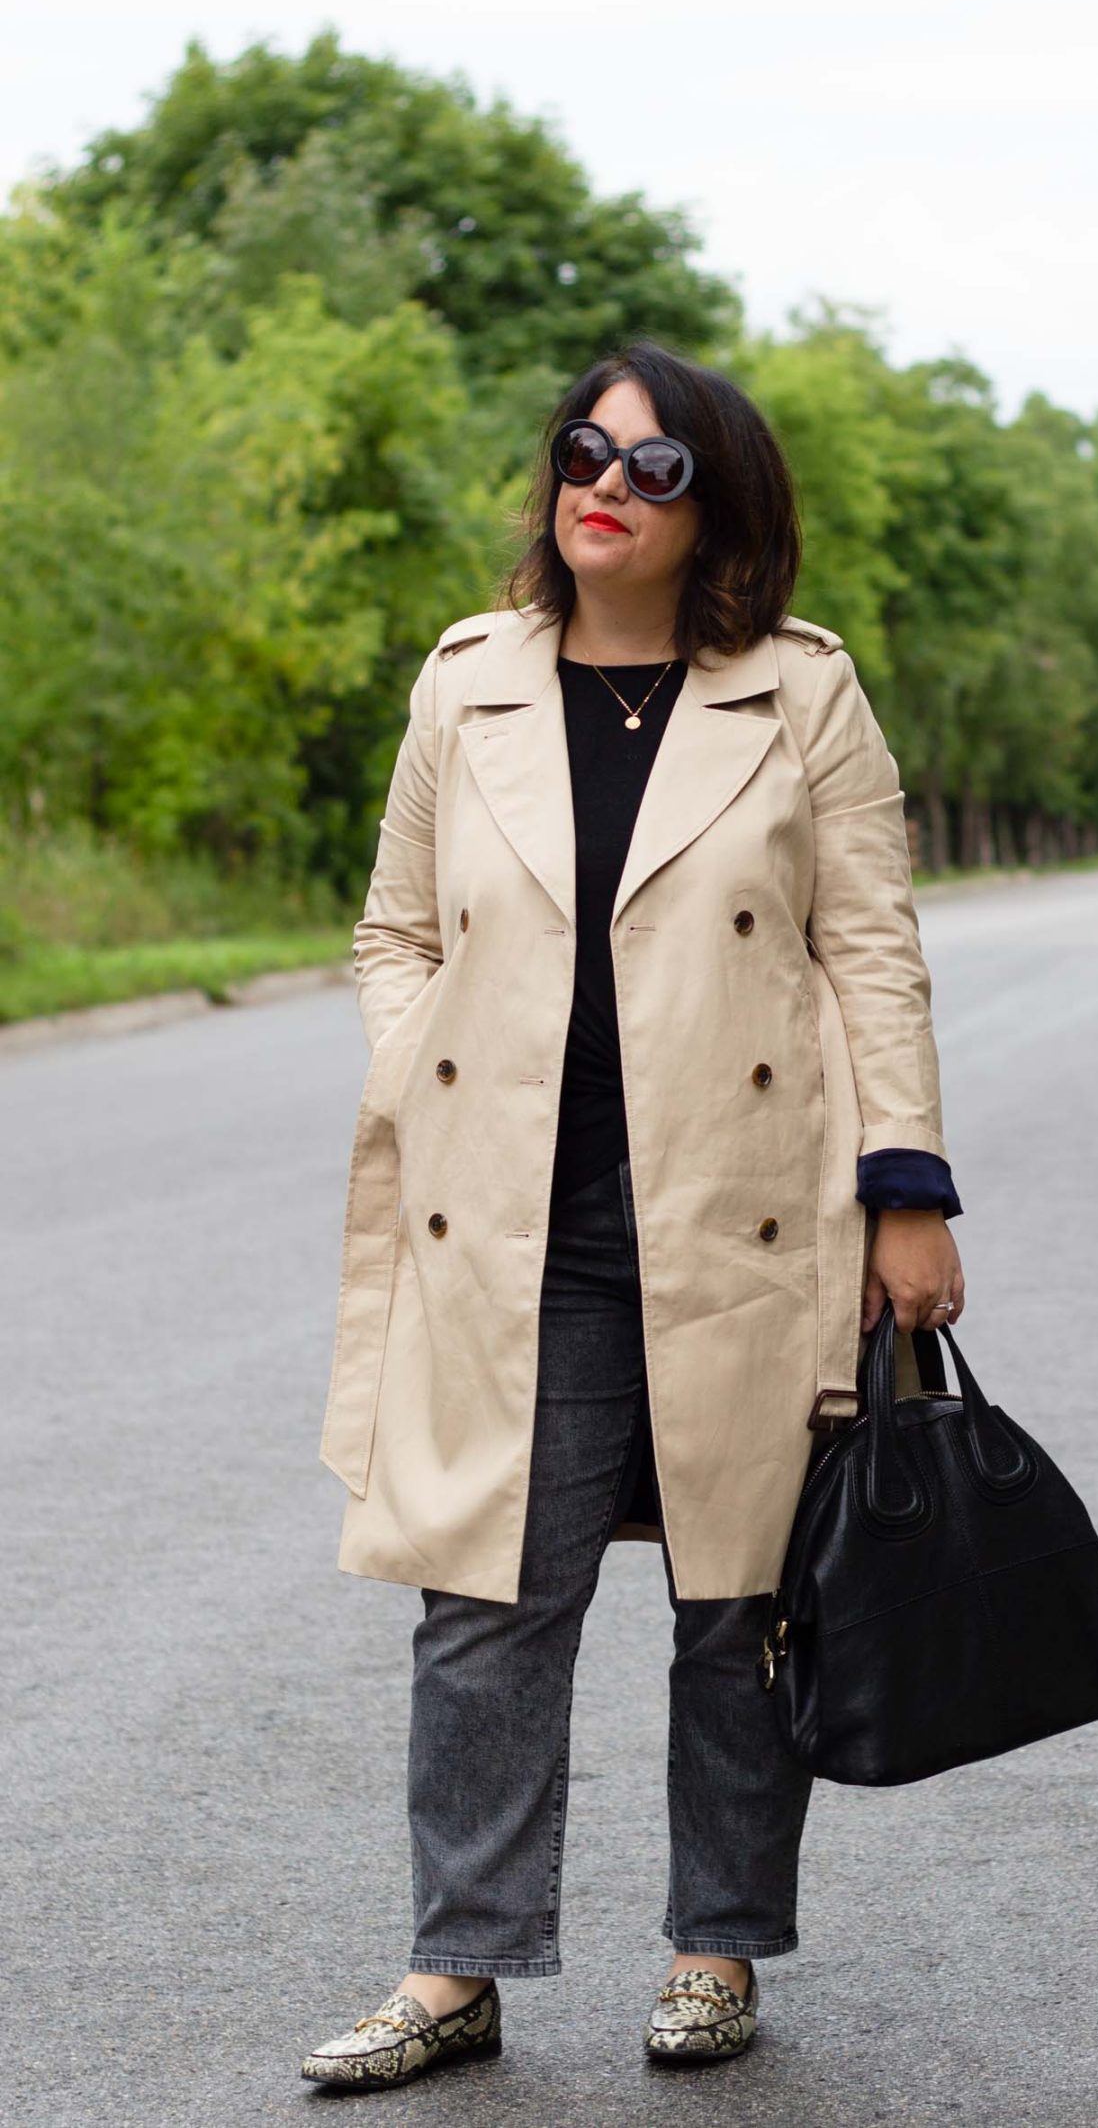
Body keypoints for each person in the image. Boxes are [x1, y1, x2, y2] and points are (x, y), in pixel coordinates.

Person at [301, 341, 965, 2089]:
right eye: (584, 452)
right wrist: (423, 1071)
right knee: (482, 1596)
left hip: (745, 1210)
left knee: (739, 1594)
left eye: (654, 468)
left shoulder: (799, 695)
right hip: (514, 1220)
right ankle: (457, 1972)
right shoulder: (468, 685)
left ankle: (714, 1949)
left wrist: (908, 1191)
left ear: (717, 510)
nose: (605, 483)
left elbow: (870, 948)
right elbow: (391, 932)